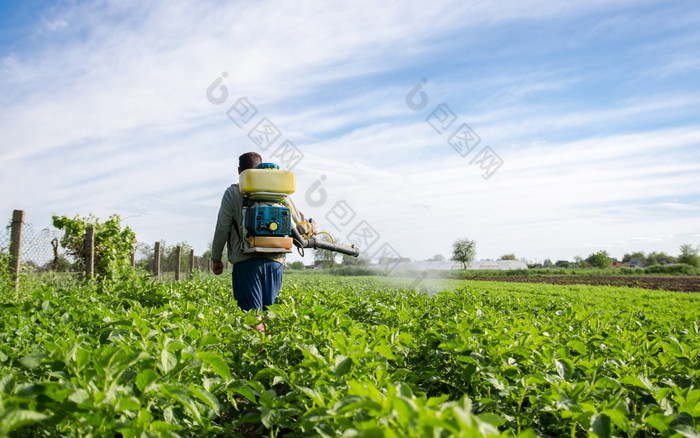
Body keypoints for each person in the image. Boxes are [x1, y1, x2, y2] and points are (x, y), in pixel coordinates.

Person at [211, 152, 312, 332]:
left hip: (246, 262)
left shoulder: (233, 192)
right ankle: (270, 356)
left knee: (253, 318)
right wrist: (312, 227)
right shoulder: (279, 192)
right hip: (275, 262)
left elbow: (222, 228)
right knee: (270, 315)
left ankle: (257, 356)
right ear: (261, 167)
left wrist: (216, 257)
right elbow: (302, 227)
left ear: (239, 171)